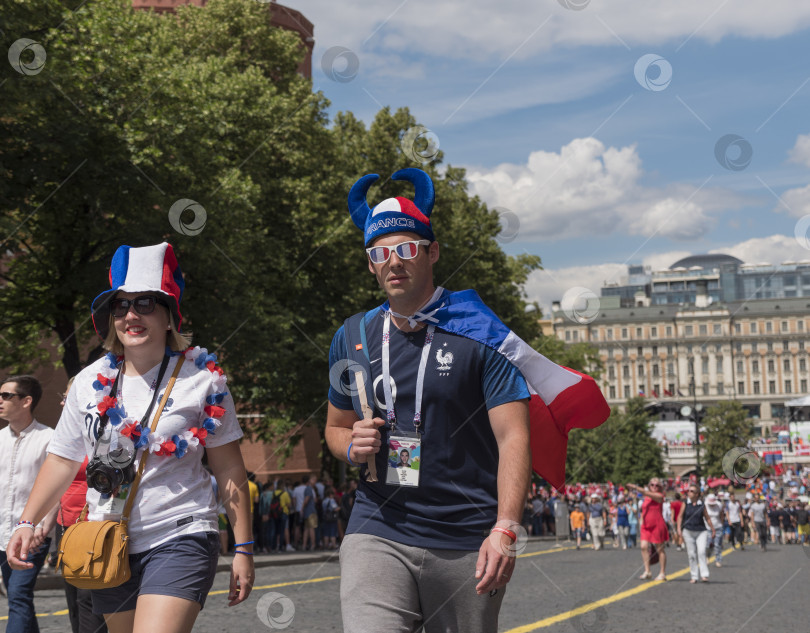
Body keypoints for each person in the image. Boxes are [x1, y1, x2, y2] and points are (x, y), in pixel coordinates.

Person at [325, 168, 597, 633]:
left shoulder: (482, 335)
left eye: (407, 249)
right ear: (369, 263)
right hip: (378, 526)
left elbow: (513, 437)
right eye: (381, 253)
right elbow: (334, 427)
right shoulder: (352, 336)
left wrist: (506, 527)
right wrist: (351, 445)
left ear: (432, 253)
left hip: (466, 539)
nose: (394, 262)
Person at [5, 242, 254, 633]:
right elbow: (63, 459)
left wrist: (243, 548)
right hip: (106, 541)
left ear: (170, 314)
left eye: (144, 304)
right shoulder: (88, 382)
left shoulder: (204, 380)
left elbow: (228, 466)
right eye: (119, 306)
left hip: (181, 533)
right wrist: (26, 520)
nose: (130, 315)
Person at [0, 374, 58, 633]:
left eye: (6, 396)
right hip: (0, 533)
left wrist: (43, 527)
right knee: (17, 597)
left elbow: (58, 487)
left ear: (26, 401)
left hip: (31, 534)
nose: (0, 401)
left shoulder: (49, 438)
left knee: (19, 593)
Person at [55, 379, 109, 633]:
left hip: (93, 528)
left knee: (89, 598)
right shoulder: (64, 436)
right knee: (74, 601)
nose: (63, 402)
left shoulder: (100, 436)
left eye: (68, 397)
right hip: (66, 526)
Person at [627, 479, 668, 581]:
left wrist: (635, 487)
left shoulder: (659, 496)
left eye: (657, 485)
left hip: (657, 525)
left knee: (660, 549)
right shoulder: (646, 498)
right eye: (652, 484)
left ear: (660, 487)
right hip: (646, 526)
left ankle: (662, 572)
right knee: (643, 547)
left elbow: (645, 492)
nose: (654, 486)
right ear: (649, 485)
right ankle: (647, 571)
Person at [677, 484, 715, 583]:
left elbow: (707, 518)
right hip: (688, 531)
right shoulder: (685, 503)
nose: (689, 492)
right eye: (689, 491)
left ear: (697, 494)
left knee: (701, 552)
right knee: (691, 554)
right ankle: (694, 576)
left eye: (691, 491)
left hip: (701, 531)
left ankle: (704, 575)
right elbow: (680, 516)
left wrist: (713, 529)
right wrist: (678, 529)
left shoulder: (701, 504)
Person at [704, 493, 725, 567]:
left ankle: (718, 560)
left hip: (718, 527)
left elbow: (722, 515)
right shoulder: (705, 505)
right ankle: (707, 557)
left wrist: (722, 525)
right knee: (708, 545)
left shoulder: (719, 505)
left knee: (717, 545)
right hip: (708, 528)